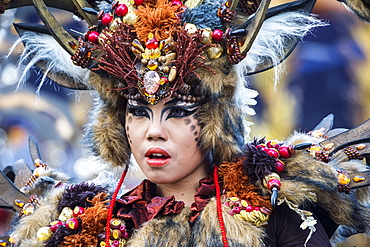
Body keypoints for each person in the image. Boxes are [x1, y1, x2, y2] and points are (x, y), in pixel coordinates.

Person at [0, 0, 369, 246]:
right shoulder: (87, 223)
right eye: (138, 112)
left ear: (215, 121)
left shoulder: (276, 206)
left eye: (178, 111)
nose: (153, 131)